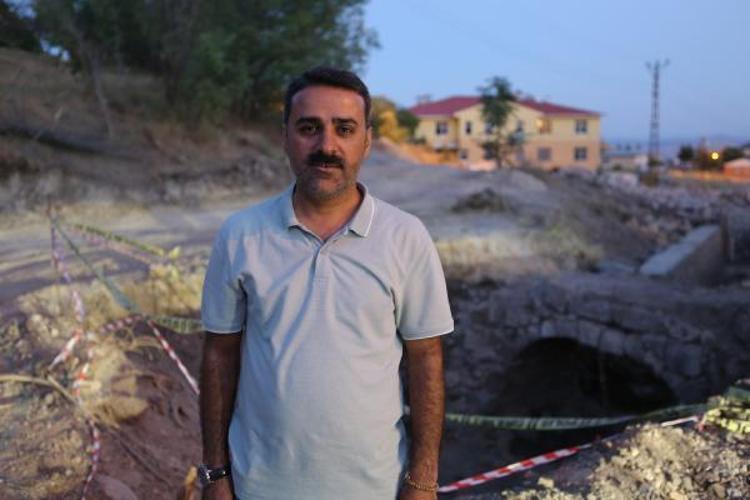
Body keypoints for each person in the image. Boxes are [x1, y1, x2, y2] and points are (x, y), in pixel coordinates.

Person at [199, 66, 454, 500]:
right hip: (257, 487)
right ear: (285, 136)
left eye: (344, 129)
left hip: (375, 488)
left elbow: (426, 358)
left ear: (367, 140)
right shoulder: (240, 235)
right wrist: (215, 474)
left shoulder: (406, 237)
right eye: (309, 128)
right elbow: (219, 355)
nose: (327, 146)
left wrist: (423, 480)